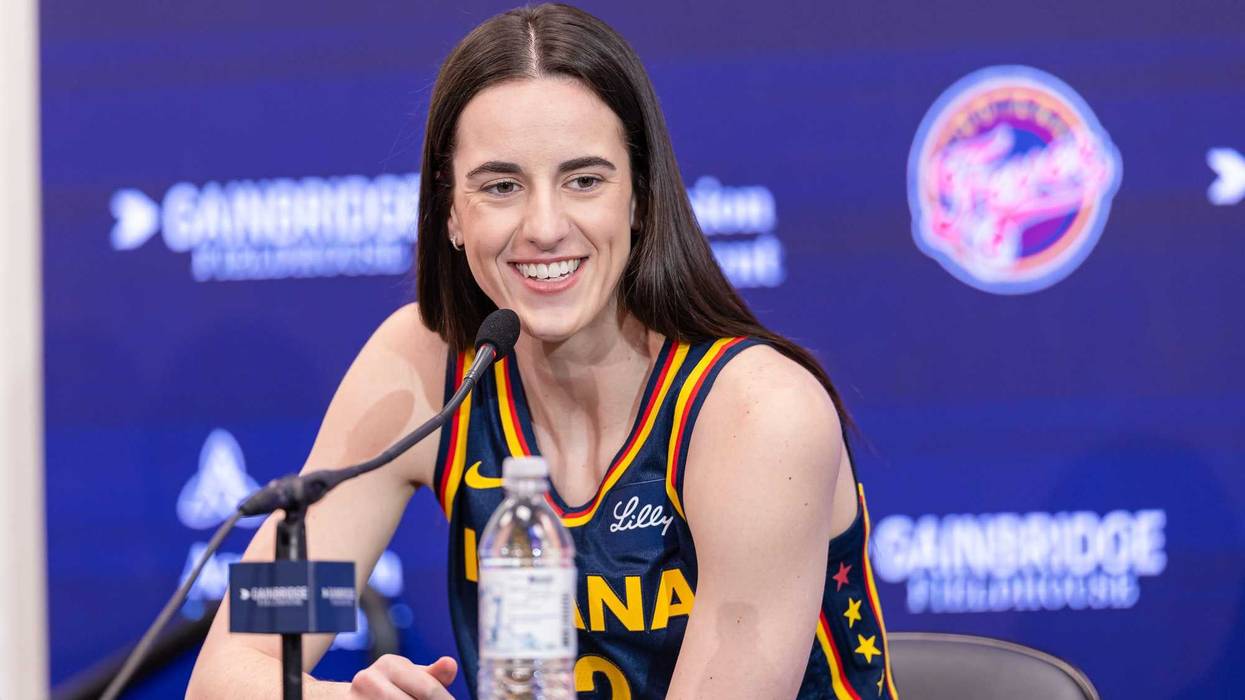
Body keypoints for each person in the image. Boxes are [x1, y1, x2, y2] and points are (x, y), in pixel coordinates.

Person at [187, 4, 897, 698]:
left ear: (640, 199)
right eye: (501, 187)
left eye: (584, 180)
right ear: (452, 214)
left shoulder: (757, 414)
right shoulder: (421, 367)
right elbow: (233, 668)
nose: (544, 227)